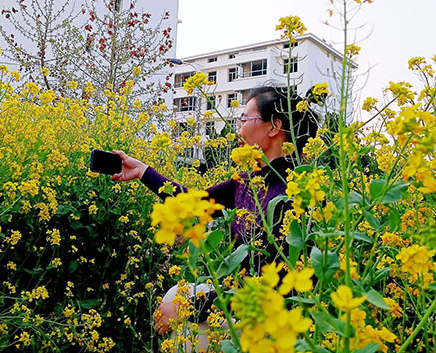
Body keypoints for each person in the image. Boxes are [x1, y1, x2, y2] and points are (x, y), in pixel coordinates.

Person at [111, 86, 318, 336]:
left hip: (269, 318)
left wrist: (190, 308)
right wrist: (142, 171)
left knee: (181, 314)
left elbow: (277, 290)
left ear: (274, 127)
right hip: (239, 299)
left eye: (244, 119)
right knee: (175, 295)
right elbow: (194, 202)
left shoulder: (296, 193)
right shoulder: (245, 182)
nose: (238, 130)